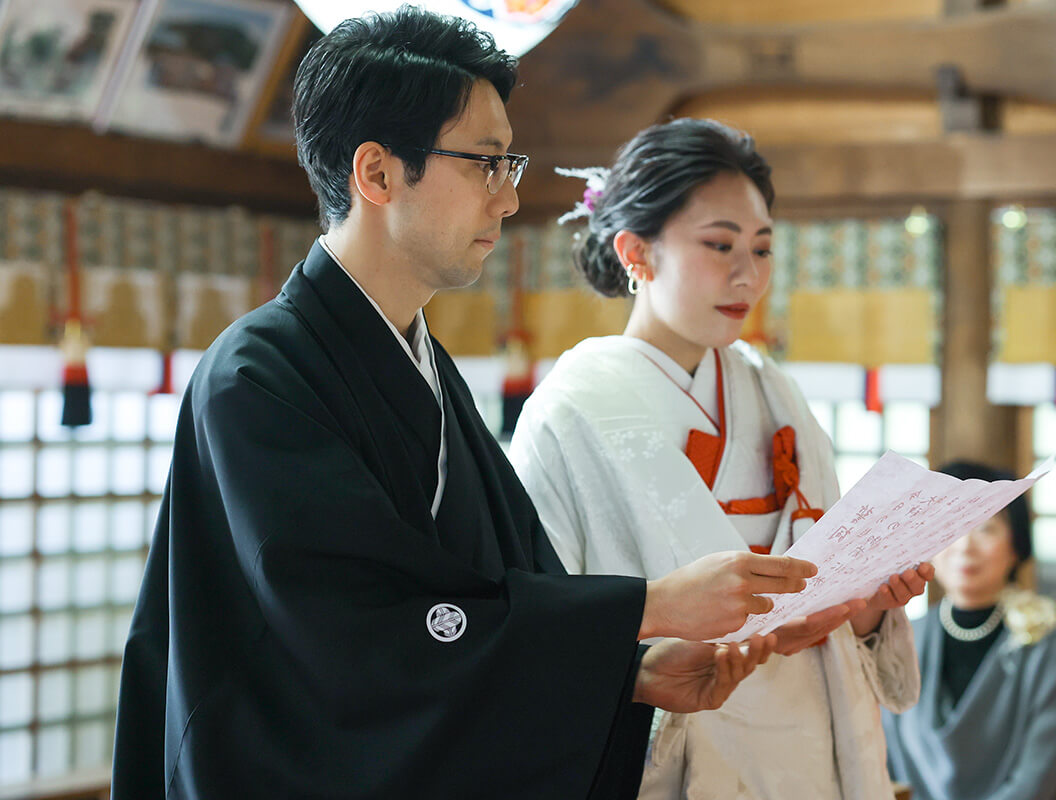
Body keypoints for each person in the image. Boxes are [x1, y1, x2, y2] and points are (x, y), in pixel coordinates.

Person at [109, 10, 821, 799]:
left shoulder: (424, 365)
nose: (508, 200)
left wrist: (629, 672)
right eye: (486, 164)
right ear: (378, 174)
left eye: (508, 164)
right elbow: (358, 637)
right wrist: (647, 609)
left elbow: (489, 591)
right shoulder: (256, 378)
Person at [508, 117, 933, 800]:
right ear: (636, 253)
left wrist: (866, 608)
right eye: (720, 244)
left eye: (762, 248)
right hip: (676, 744)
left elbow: (827, 578)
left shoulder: (773, 389)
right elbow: (541, 628)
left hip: (811, 746)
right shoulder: (568, 413)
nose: (748, 275)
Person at [882, 461, 1056, 800]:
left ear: (1016, 545)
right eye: (951, 527)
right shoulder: (903, 636)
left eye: (985, 528)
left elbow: (1043, 771)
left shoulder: (1055, 640)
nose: (965, 546)